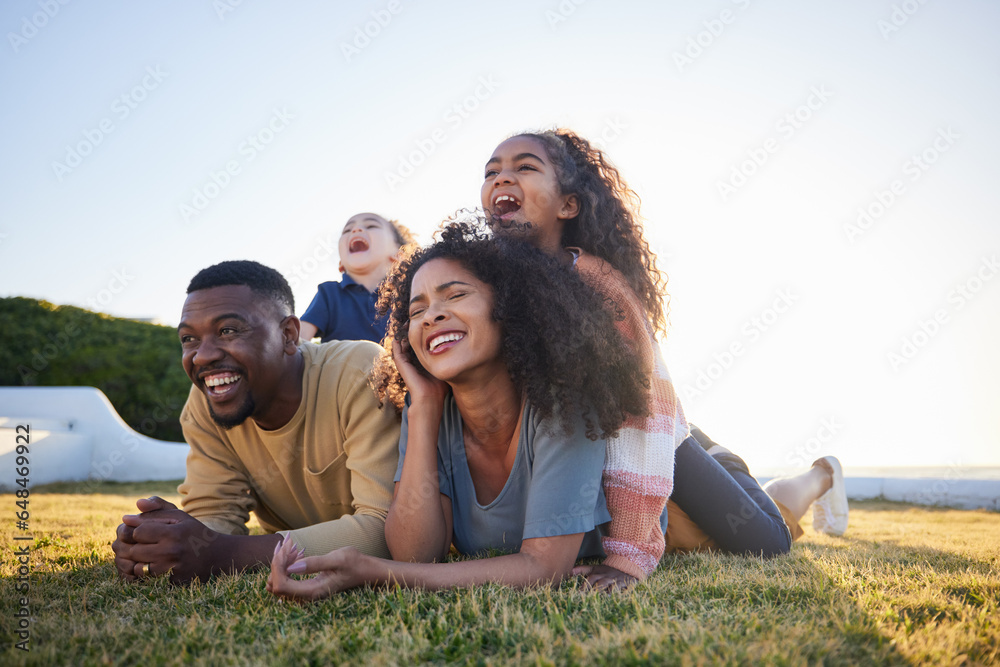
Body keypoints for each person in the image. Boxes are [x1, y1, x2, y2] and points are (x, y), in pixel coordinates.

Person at [480, 130, 848, 590]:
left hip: (655, 431)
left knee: (765, 540)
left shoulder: (602, 290)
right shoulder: (480, 280)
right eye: (491, 171)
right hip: (583, 449)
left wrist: (629, 555)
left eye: (524, 167)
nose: (501, 178)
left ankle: (812, 473)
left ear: (568, 205)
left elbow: (639, 418)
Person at [266, 224, 651, 600]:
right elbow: (415, 554)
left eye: (455, 295)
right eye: (417, 312)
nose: (432, 316)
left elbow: (543, 567)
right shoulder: (430, 414)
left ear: (509, 307)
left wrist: (375, 572)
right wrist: (425, 410)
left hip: (673, 495)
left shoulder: (561, 402)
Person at [111, 260, 401, 584]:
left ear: (289, 335)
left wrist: (225, 555)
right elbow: (215, 514)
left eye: (228, 331)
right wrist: (166, 539)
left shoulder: (360, 371)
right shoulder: (205, 404)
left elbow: (388, 530)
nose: (202, 356)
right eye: (189, 339)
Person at [299, 212, 414, 343]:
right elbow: (298, 342)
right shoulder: (329, 293)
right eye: (347, 230)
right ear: (341, 262)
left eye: (371, 226)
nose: (356, 229)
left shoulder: (407, 298)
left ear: (399, 255)